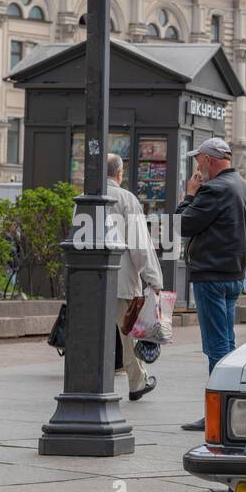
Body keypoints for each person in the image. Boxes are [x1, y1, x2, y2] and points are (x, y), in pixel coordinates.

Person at [176, 137, 246, 431]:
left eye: (198, 162)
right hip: (234, 277)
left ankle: (219, 412)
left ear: (210, 160)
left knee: (216, 346)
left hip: (211, 276)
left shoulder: (212, 189)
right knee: (227, 343)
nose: (197, 169)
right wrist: (239, 264)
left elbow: (180, 225)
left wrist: (189, 195)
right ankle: (231, 408)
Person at [106, 153, 162, 401]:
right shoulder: (126, 199)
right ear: (120, 174)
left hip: (90, 283)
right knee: (128, 333)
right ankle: (137, 382)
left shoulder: (85, 199)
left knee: (93, 333)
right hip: (122, 279)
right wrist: (154, 279)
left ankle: (92, 379)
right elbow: (140, 244)